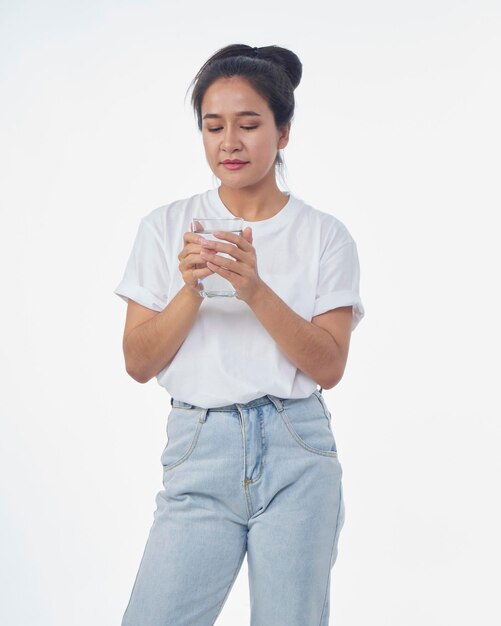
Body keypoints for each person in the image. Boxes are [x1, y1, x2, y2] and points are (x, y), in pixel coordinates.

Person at [114, 43, 365, 626]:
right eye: (214, 125)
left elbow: (328, 366)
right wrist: (193, 288)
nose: (230, 141)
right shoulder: (166, 227)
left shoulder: (325, 236)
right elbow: (137, 361)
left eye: (250, 124)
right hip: (199, 447)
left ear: (283, 134)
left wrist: (254, 288)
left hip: (296, 450)